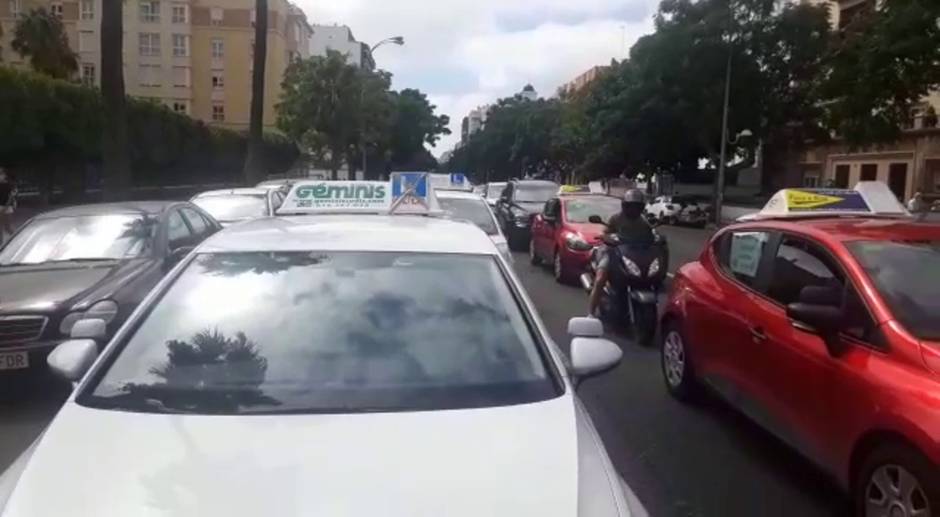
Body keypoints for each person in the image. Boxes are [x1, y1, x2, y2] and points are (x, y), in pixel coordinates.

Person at [588, 188, 654, 316]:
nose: (633, 209)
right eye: (631, 206)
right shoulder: (616, 218)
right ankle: (590, 313)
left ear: (641, 207)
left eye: (636, 207)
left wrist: (657, 239)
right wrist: (605, 237)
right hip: (612, 252)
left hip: (633, 254)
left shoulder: (643, 222)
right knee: (600, 278)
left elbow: (651, 235)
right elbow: (605, 232)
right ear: (625, 206)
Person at [0, 168, 16, 244]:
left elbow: (11, 196)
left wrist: (5, 207)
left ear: (4, 175)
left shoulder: (9, 184)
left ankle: (16, 239)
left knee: (7, 227)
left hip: (7, 207)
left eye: (1, 174)